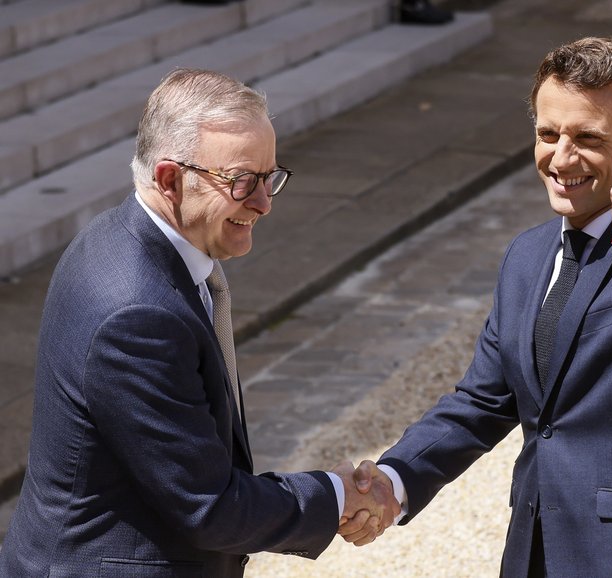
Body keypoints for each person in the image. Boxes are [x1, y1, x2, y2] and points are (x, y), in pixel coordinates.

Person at [339, 37, 612, 577]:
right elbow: (482, 400)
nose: (562, 157)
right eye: (548, 134)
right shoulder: (526, 256)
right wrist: (394, 480)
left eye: (588, 138)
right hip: (532, 552)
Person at [0, 68, 398, 577]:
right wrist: (339, 495)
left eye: (270, 177)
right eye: (241, 182)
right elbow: (209, 505)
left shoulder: (115, 236)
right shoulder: (138, 314)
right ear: (170, 179)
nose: (264, 203)